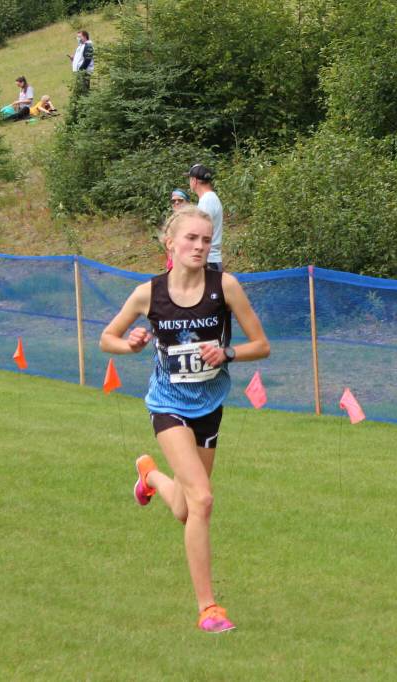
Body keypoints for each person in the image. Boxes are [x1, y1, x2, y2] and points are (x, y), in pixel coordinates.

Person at [99, 205, 270, 633]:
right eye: (191, 239)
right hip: (168, 405)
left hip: (210, 407)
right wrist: (132, 345)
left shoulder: (225, 287)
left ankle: (150, 479)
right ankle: (208, 608)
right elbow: (108, 338)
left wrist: (227, 352)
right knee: (204, 501)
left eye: (205, 240)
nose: (198, 246)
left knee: (185, 508)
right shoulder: (148, 294)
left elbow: (261, 345)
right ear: (170, 243)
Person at [186, 164, 223, 271]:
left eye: (189, 179)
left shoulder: (207, 201)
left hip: (208, 261)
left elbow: (200, 231)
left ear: (194, 180)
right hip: (210, 259)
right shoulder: (210, 198)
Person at [163, 189, 191, 270]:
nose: (176, 203)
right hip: (172, 264)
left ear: (187, 203)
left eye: (180, 200)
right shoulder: (171, 220)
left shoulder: (192, 220)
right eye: (173, 201)